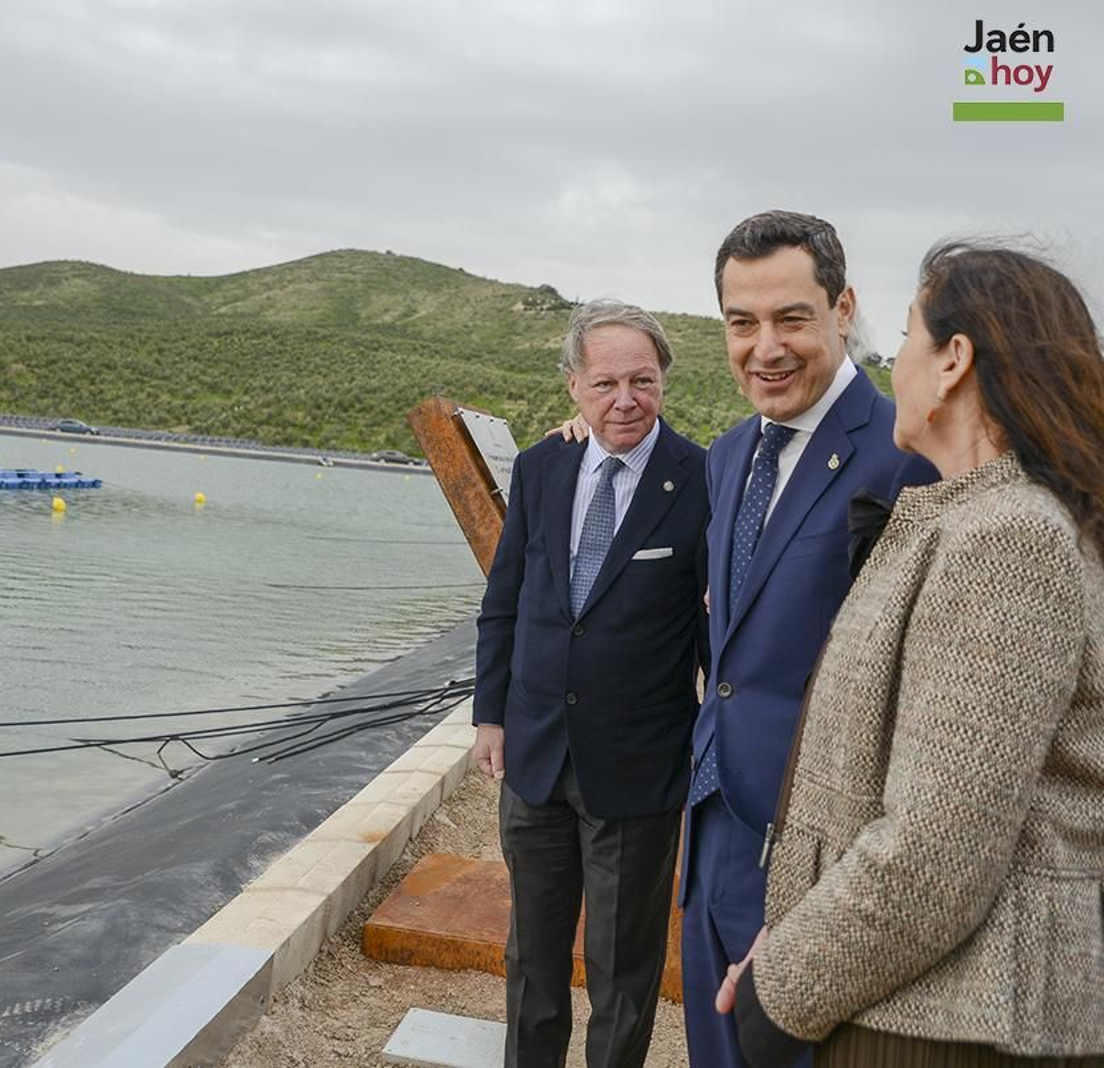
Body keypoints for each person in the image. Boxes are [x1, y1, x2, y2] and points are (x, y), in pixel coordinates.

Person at [719, 242, 1104, 1067]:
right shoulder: (981, 519)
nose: (894, 367)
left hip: (951, 1022)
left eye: (905, 341)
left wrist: (779, 988)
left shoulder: (1009, 539)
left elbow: (938, 853)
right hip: (916, 993)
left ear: (955, 360)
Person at [678, 210, 940, 1068]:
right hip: (715, 815)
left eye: (791, 318)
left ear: (844, 308)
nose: (766, 347)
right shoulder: (725, 457)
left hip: (820, 845)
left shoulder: (907, 456)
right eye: (741, 323)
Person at [473, 299, 710, 1068]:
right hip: (536, 757)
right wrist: (491, 717)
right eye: (605, 382)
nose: (625, 400)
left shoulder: (703, 479)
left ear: (664, 383)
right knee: (531, 960)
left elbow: (715, 637)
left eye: (642, 380)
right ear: (574, 385)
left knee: (622, 972)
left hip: (638, 770)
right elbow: (506, 600)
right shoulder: (542, 468)